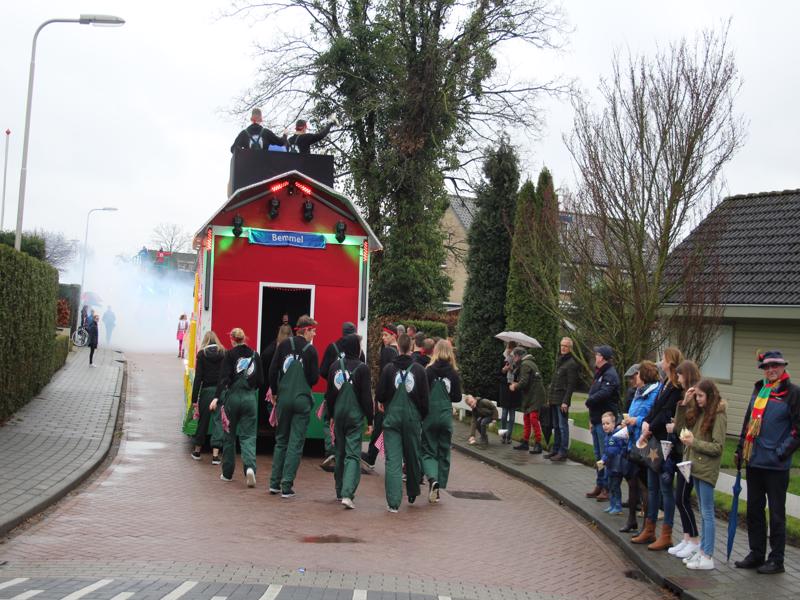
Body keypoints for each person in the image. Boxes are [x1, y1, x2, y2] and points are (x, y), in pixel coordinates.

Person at [734, 351, 800, 574]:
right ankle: (756, 553)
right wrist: (740, 449)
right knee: (754, 511)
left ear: (783, 367)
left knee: (776, 514)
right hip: (754, 462)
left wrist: (780, 453)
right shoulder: (759, 390)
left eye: (775, 366)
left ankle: (776, 560)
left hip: (775, 466)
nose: (771, 370)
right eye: (767, 367)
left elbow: (797, 430)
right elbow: (747, 423)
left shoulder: (793, 393)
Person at [632, 347, 684, 550]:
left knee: (665, 488)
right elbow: (655, 408)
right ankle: (649, 528)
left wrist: (649, 428)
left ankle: (666, 533)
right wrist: (646, 421)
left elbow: (666, 413)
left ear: (670, 362)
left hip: (665, 443)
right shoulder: (664, 384)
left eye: (663, 358)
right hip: (654, 440)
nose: (661, 362)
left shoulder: (676, 387)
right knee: (652, 486)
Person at [675, 378, 727, 571]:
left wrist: (694, 443)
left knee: (707, 513)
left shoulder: (718, 415)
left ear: (710, 395)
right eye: (696, 396)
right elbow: (680, 429)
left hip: (706, 469)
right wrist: (684, 404)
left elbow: (718, 447)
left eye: (701, 396)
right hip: (695, 467)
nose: (697, 399)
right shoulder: (700, 412)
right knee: (703, 513)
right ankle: (703, 550)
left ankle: (708, 555)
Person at [375, 333, 429, 512]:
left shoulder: (389, 369)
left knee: (393, 460)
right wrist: (421, 417)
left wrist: (382, 403)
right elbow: (425, 400)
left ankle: (393, 503)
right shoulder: (419, 370)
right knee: (412, 456)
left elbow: (380, 394)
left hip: (392, 419)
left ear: (398, 347)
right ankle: (412, 491)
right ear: (411, 347)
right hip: (412, 419)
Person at [268, 315, 320, 497]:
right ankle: (286, 486)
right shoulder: (311, 351)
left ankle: (274, 483)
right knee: (295, 443)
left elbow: (272, 370)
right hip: (301, 400)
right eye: (313, 331)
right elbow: (314, 378)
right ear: (306, 330)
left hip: (283, 398)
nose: (314, 334)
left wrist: (275, 392)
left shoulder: (283, 345)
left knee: (281, 440)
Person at [325, 333, 373, 509]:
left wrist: (331, 415)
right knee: (352, 454)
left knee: (339, 452)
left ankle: (339, 491)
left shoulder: (335, 366)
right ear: (356, 348)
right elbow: (366, 397)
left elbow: (330, 394)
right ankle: (347, 493)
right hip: (354, 416)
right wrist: (370, 420)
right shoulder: (362, 368)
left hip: (339, 414)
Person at [211, 328, 263, 487]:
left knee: (229, 437)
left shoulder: (229, 355)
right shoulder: (255, 355)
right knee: (248, 436)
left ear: (232, 340)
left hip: (232, 399)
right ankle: (250, 468)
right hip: (249, 399)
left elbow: (223, 378)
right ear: (244, 338)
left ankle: (227, 473)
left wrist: (216, 397)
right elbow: (261, 381)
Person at [619, 361, 660, 533]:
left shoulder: (655, 393)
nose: (634, 379)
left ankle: (647, 527)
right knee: (632, 481)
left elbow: (653, 417)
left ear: (644, 375)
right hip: (633, 442)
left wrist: (636, 421)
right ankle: (631, 520)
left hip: (645, 444)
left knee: (644, 485)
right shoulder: (638, 392)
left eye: (637, 375)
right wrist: (627, 422)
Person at [667, 360, 703, 558]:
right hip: (684, 454)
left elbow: (687, 427)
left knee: (682, 497)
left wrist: (687, 404)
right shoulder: (686, 396)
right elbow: (680, 427)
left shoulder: (698, 396)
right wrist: (682, 405)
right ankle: (687, 537)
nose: (678, 379)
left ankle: (695, 540)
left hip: (692, 455)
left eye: (680, 376)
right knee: (679, 497)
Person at [320, 321, 365, 468]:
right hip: (353, 397)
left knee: (328, 419)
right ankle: (348, 454)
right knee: (352, 425)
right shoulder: (360, 352)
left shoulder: (333, 347)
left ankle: (331, 450)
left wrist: (334, 379)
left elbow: (323, 371)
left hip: (334, 392)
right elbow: (363, 374)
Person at [422, 339, 462, 502]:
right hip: (445, 416)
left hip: (430, 416)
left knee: (428, 450)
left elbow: (423, 394)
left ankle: (433, 479)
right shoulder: (453, 373)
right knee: (443, 451)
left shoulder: (428, 371)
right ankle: (438, 487)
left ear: (435, 351)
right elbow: (457, 397)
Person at [585, 345, 620, 501]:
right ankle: (599, 484)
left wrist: (590, 400)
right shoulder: (599, 373)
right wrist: (591, 419)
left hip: (605, 421)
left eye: (597, 354)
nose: (595, 356)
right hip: (596, 419)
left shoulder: (610, 374)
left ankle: (607, 488)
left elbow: (605, 394)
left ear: (603, 357)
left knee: (606, 455)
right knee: (598, 455)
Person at [362, 323, 399, 469]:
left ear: (393, 336)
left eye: (386, 335)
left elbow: (384, 375)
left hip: (384, 395)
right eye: (382, 335)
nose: (383, 338)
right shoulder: (398, 351)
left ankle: (371, 456)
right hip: (394, 396)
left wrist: (380, 398)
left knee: (378, 425)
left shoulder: (387, 351)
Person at [190, 331, 225, 464]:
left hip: (206, 391)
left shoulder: (201, 354)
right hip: (220, 392)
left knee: (203, 421)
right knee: (218, 422)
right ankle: (215, 456)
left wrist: (194, 399)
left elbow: (198, 377)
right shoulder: (223, 353)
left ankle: (197, 451)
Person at [546, 337, 580, 460]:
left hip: (562, 401)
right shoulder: (559, 361)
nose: (563, 348)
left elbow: (571, 385)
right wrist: (549, 398)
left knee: (562, 426)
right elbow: (554, 381)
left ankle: (563, 451)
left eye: (566, 346)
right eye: (562, 345)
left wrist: (566, 401)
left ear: (570, 348)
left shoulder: (571, 364)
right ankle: (555, 449)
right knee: (556, 426)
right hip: (554, 399)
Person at [510, 347, 546, 454]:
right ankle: (525, 442)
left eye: (514, 356)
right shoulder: (528, 363)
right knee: (526, 418)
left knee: (533, 419)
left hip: (535, 396)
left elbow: (524, 382)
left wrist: (514, 386)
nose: (513, 358)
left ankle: (538, 443)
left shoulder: (525, 364)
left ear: (518, 356)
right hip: (531, 395)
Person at [260, 324, 293, 430]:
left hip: (278, 382)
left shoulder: (276, 346)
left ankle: (277, 426)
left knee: (272, 405)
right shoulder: (295, 346)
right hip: (292, 383)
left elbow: (264, 356)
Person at [598, 411, 626, 515]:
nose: (605, 426)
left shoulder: (615, 436)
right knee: (610, 485)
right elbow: (606, 451)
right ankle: (612, 504)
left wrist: (604, 459)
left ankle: (617, 506)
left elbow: (612, 451)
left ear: (613, 424)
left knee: (615, 486)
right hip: (610, 466)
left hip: (616, 466)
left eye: (607, 423)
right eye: (603, 424)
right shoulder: (608, 436)